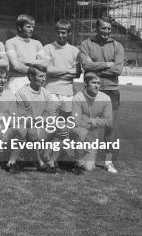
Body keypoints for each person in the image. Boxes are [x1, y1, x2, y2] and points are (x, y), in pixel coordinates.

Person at [79, 17, 124, 174]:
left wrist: (95, 67)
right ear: (96, 28)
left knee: (110, 128)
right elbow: (85, 65)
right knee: (87, 124)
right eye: (103, 28)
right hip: (91, 91)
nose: (106, 32)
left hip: (111, 90)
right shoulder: (86, 44)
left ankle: (108, 162)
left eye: (109, 29)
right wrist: (107, 64)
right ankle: (84, 157)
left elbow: (118, 70)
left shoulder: (117, 46)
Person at [42, 19, 81, 168]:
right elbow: (47, 70)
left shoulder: (74, 51)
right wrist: (67, 72)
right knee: (49, 126)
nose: (60, 35)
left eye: (64, 32)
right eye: (58, 32)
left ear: (69, 33)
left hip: (68, 93)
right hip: (51, 91)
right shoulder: (48, 48)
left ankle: (54, 157)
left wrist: (57, 72)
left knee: (63, 128)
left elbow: (77, 73)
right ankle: (44, 155)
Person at [14, 64, 58, 173]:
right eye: (41, 76)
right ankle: (40, 163)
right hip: (28, 126)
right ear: (31, 77)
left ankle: (51, 161)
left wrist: (43, 121)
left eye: (45, 76)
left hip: (42, 125)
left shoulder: (47, 93)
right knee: (32, 131)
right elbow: (21, 116)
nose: (44, 79)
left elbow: (50, 114)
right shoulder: (21, 93)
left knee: (60, 128)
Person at [71, 72, 113, 174]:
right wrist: (97, 121)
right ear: (86, 83)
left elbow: (109, 121)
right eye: (94, 82)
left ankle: (80, 155)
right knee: (81, 133)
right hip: (78, 131)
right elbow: (76, 121)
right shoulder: (78, 97)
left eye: (98, 83)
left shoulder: (105, 98)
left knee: (89, 168)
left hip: (93, 134)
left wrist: (90, 121)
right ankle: (78, 163)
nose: (97, 85)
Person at [5, 14, 46, 93]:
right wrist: (36, 69)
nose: (32, 29)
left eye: (33, 27)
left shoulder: (37, 43)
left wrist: (24, 61)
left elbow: (44, 63)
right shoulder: (10, 42)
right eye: (28, 27)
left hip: (34, 81)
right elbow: (16, 66)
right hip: (17, 81)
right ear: (20, 28)